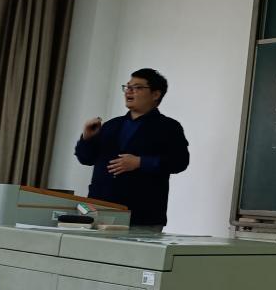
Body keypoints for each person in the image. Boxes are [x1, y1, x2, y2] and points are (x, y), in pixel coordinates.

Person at [75, 68, 190, 231]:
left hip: (142, 215)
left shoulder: (169, 127)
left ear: (155, 94)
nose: (129, 91)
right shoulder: (111, 125)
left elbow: (180, 162)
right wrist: (87, 137)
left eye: (137, 87)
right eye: (127, 87)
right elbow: (86, 159)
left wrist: (140, 162)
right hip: (100, 210)